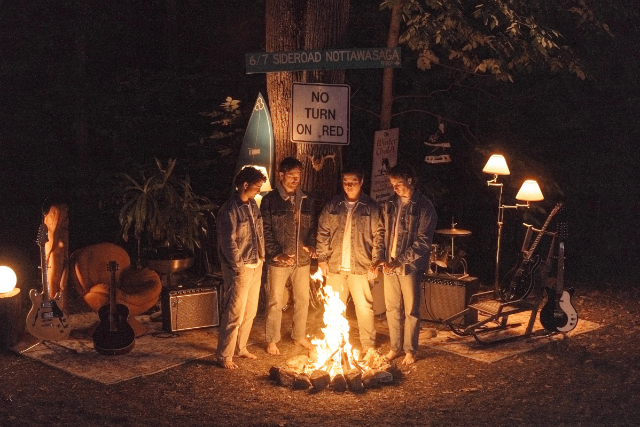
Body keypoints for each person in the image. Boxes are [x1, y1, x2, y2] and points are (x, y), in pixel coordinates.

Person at [316, 166, 384, 357]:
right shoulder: (334, 204)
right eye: (346, 182)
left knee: (364, 307)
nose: (349, 185)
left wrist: (376, 263)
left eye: (353, 182)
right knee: (334, 306)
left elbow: (379, 236)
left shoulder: (371, 206)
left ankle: (367, 345)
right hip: (335, 266)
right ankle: (335, 343)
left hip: (361, 266)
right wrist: (322, 259)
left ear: (361, 182)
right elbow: (322, 231)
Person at [380, 163, 437, 365]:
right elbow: (382, 232)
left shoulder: (424, 207)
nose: (395, 188)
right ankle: (395, 348)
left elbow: (423, 242)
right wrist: (382, 258)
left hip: (409, 267)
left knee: (411, 310)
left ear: (410, 180)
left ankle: (410, 350)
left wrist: (399, 261)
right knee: (392, 308)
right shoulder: (390, 203)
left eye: (398, 183)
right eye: (392, 184)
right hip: (390, 264)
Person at [260, 157, 317, 355]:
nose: (295, 179)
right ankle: (272, 340)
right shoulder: (269, 200)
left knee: (302, 300)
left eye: (298, 176)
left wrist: (311, 245)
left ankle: (299, 336)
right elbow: (265, 231)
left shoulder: (306, 199)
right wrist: (277, 254)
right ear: (281, 175)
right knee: (276, 301)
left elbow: (312, 227)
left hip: (302, 259)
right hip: (278, 261)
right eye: (291, 175)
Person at [216, 167, 267, 369]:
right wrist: (238, 267)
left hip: (256, 264)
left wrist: (262, 257)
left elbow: (259, 232)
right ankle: (224, 355)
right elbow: (228, 242)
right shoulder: (229, 210)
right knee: (234, 312)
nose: (259, 191)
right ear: (245, 185)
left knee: (250, 311)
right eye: (257, 187)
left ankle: (241, 347)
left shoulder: (253, 205)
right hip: (240, 268)